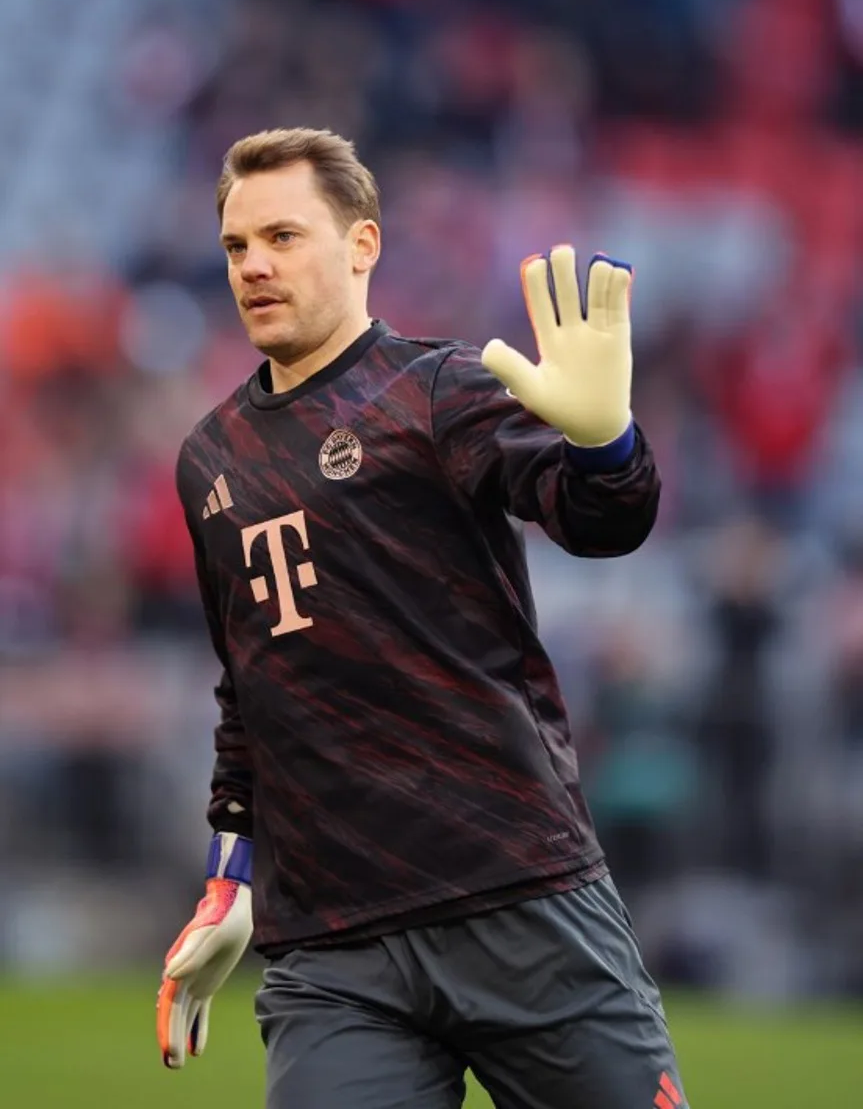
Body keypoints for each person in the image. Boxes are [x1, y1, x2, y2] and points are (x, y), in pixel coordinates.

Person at [156, 127, 687, 1109]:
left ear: (362, 245)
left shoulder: (434, 393)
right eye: (236, 246)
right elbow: (250, 690)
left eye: (283, 235)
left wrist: (605, 444)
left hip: (516, 897)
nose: (255, 265)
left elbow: (603, 522)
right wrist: (228, 876)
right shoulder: (210, 458)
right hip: (332, 947)